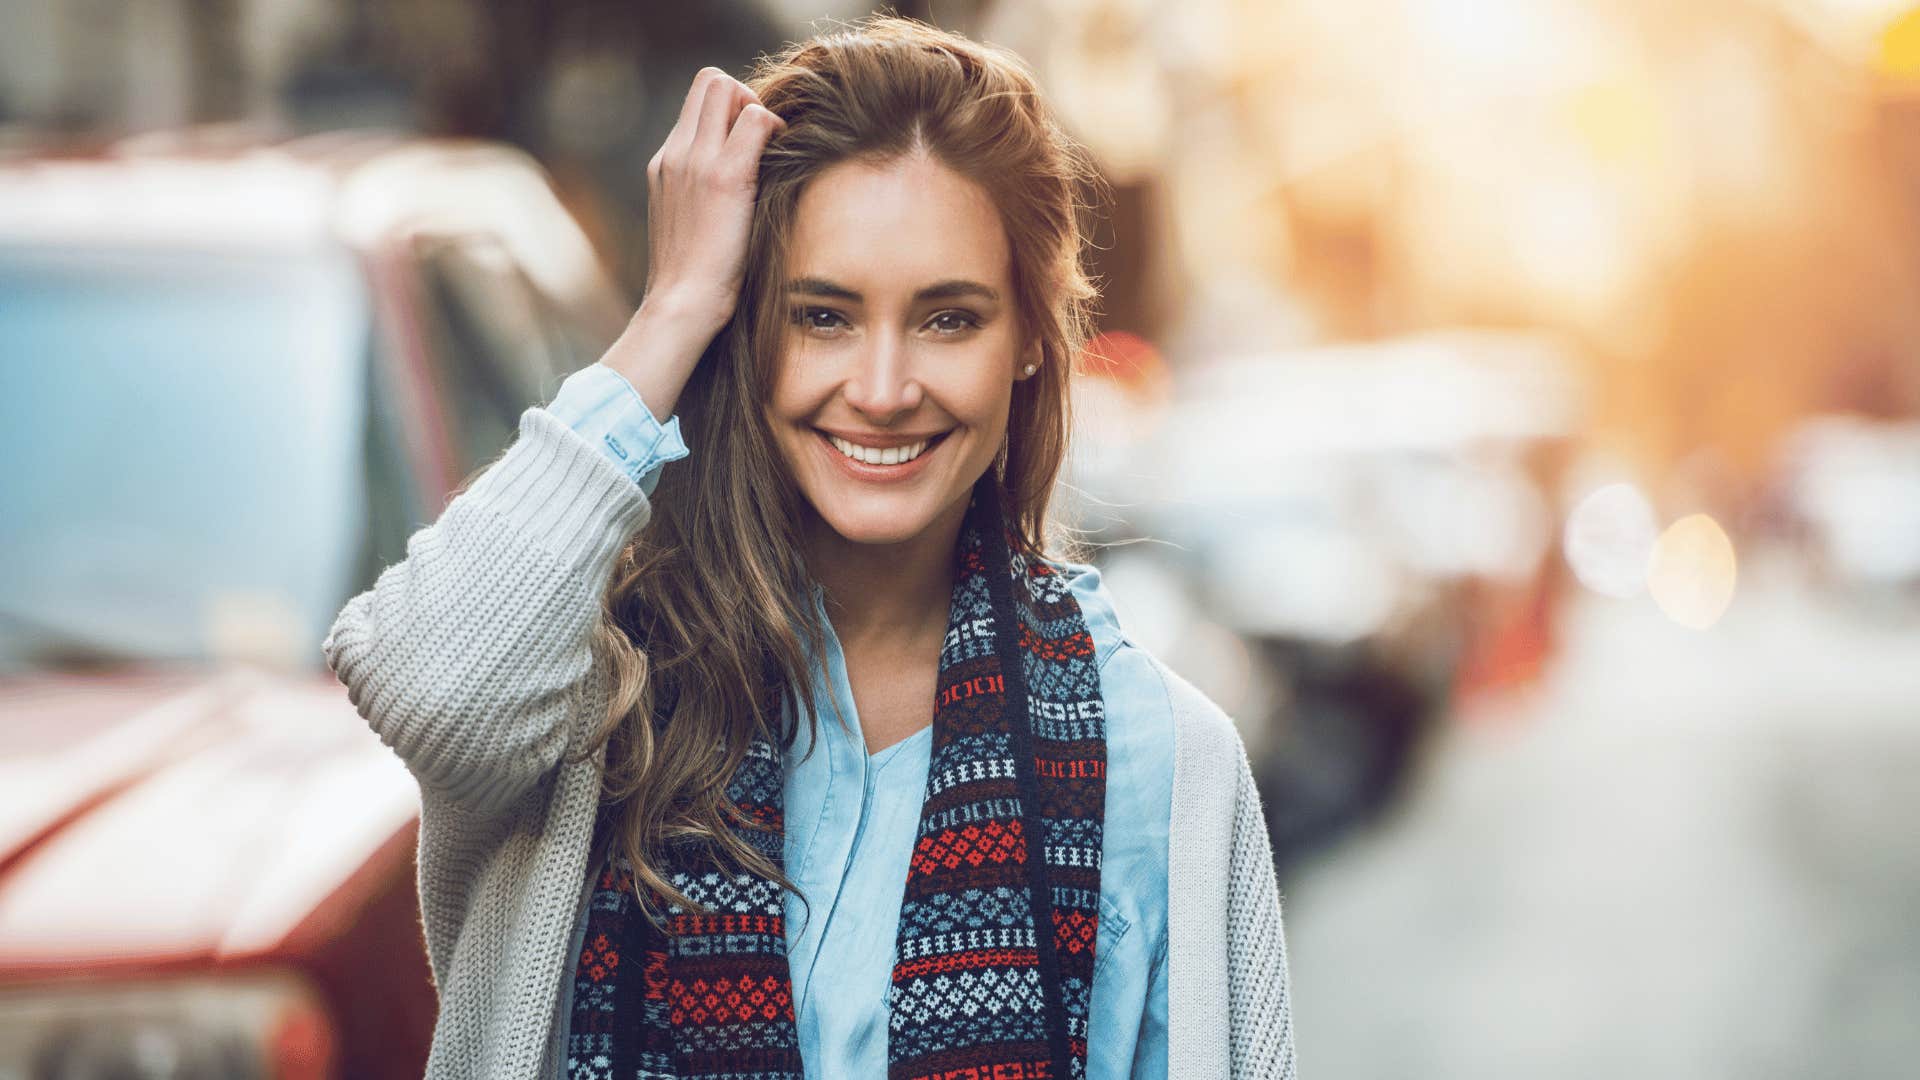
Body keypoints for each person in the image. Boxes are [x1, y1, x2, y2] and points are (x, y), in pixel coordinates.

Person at [323, 14, 1295, 1079]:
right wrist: (675, 305)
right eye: (823, 316)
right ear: (749, 330)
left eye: (949, 319)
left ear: (1027, 341)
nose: (881, 391)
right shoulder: (583, 703)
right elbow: (423, 687)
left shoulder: (1160, 760)